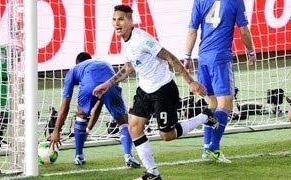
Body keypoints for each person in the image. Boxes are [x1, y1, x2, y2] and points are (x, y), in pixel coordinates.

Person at [93, 5, 219, 180]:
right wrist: (108, 84)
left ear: (130, 21)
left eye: (121, 19)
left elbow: (170, 57)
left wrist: (191, 81)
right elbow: (130, 66)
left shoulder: (143, 39)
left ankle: (205, 117)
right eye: (114, 19)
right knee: (134, 127)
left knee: (167, 135)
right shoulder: (126, 41)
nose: (117, 23)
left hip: (163, 90)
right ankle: (153, 173)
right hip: (144, 90)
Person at [184, 0, 257, 163]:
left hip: (203, 58)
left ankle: (206, 147)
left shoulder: (200, 1)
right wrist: (251, 51)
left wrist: (187, 57)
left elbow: (192, 31)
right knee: (226, 105)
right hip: (220, 59)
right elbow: (244, 31)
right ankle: (213, 148)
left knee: (212, 104)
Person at [50, 52, 140, 168]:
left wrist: (56, 131)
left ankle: (79, 156)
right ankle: (128, 156)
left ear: (77, 63)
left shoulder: (73, 70)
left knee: (81, 114)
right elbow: (98, 105)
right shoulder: (102, 63)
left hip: (89, 84)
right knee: (122, 121)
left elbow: (64, 106)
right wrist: (88, 130)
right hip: (110, 81)